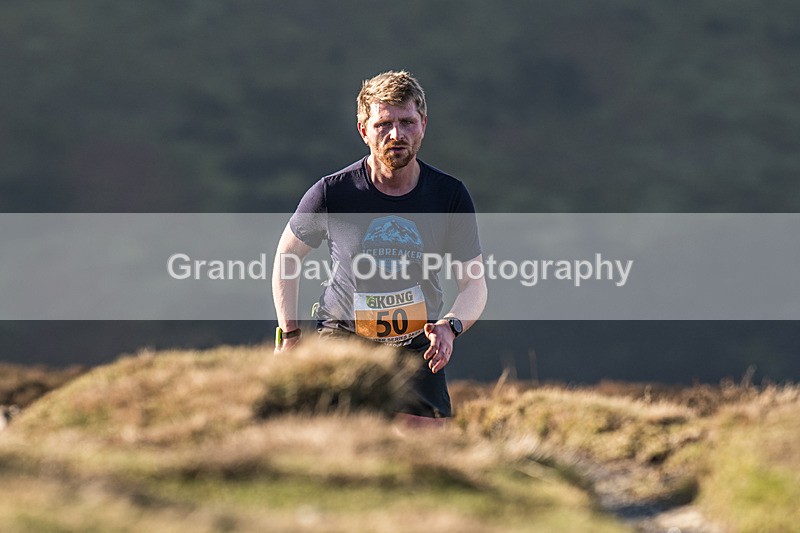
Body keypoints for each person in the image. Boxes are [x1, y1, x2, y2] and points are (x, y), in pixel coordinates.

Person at [272, 70, 487, 425]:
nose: (396, 135)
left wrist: (450, 326)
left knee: (426, 451)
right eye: (384, 123)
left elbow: (474, 284)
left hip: (418, 346)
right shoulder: (332, 192)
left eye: (407, 122)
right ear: (363, 130)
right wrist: (290, 332)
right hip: (343, 340)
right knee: (338, 444)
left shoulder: (448, 195)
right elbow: (287, 257)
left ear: (423, 124)